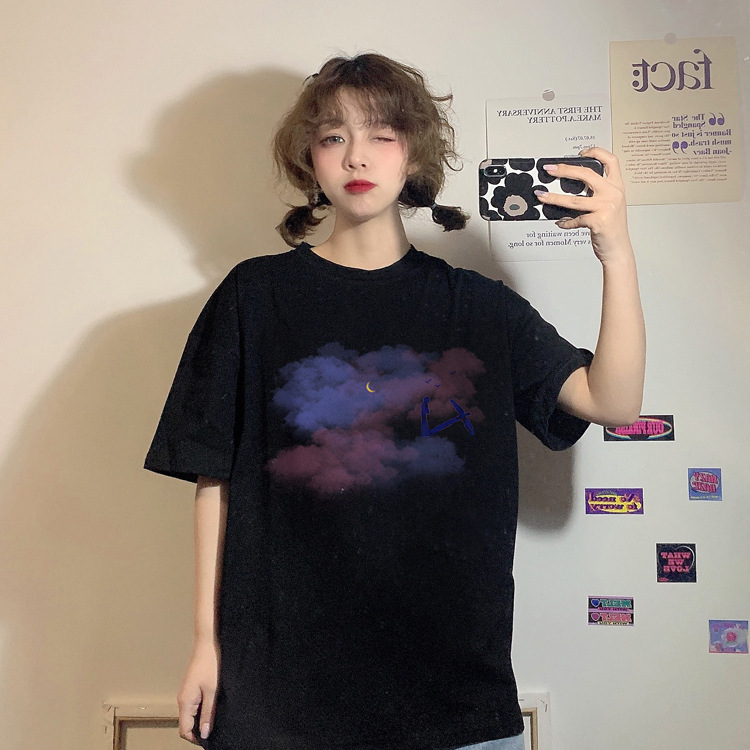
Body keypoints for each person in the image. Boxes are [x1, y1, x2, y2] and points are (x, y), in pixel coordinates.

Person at [144, 52, 645, 750]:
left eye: (381, 134)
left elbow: (611, 401)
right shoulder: (253, 298)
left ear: (414, 153)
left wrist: (615, 250)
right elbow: (214, 478)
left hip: (449, 692)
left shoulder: (479, 308)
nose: (357, 154)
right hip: (281, 694)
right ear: (309, 158)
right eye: (333, 136)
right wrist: (206, 643)